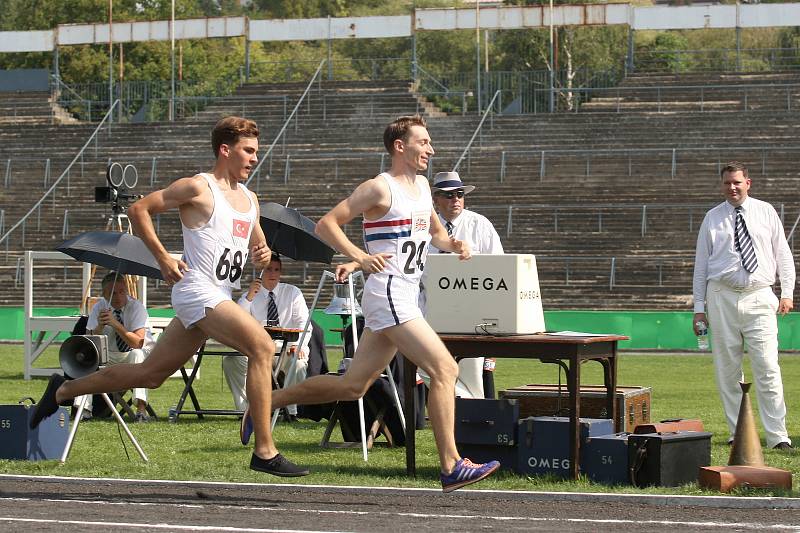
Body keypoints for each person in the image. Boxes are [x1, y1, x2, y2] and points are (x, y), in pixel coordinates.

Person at [30, 116, 308, 476]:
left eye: (257, 151)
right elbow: (138, 209)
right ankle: (264, 450)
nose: (256, 158)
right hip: (196, 291)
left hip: (221, 292)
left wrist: (264, 254)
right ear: (226, 150)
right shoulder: (198, 187)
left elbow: (260, 246)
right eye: (249, 151)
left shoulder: (250, 199)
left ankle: (63, 392)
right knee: (262, 346)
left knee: (149, 374)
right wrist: (162, 257)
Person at [269, 115, 500, 492]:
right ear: (400, 146)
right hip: (388, 292)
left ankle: (268, 401)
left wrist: (454, 244)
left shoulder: (425, 187)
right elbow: (327, 224)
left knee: (354, 386)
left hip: (405, 293)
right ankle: (451, 465)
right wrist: (359, 256)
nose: (431, 148)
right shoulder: (379, 188)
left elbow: (435, 232)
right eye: (423, 142)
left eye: (429, 142)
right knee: (444, 369)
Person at [692, 161, 794, 451]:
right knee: (727, 369)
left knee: (767, 366)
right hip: (721, 295)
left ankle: (778, 437)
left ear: (748, 182)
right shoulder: (712, 218)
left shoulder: (766, 212)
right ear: (722, 185)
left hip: (760, 295)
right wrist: (699, 307)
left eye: (737, 182)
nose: (732, 187)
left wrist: (787, 291)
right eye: (727, 183)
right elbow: (701, 266)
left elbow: (783, 255)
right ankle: (738, 433)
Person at [427, 170, 504, 399]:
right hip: (432, 309)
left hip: (472, 310)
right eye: (449, 195)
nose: (456, 199)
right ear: (436, 199)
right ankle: (436, 408)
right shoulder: (423, 229)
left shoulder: (480, 225)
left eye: (459, 194)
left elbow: (498, 267)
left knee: (474, 365)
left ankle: (474, 407)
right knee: (430, 363)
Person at [224, 253, 311, 429]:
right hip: (257, 348)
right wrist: (249, 297)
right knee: (232, 361)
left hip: (286, 346)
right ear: (260, 271)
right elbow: (237, 320)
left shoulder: (293, 292)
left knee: (298, 362)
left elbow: (304, 323)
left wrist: (297, 345)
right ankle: (245, 410)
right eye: (268, 269)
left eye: (277, 270)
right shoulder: (250, 295)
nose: (273, 273)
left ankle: (291, 412)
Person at [75, 271, 156, 422]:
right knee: (88, 358)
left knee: (137, 354)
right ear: (105, 294)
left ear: (126, 290)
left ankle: (141, 410)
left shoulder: (136, 307)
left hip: (134, 356)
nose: (118, 297)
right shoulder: (99, 307)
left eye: (121, 292)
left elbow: (137, 342)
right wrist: (99, 327)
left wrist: (116, 324)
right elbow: (88, 341)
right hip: (109, 356)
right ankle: (83, 410)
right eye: (113, 293)